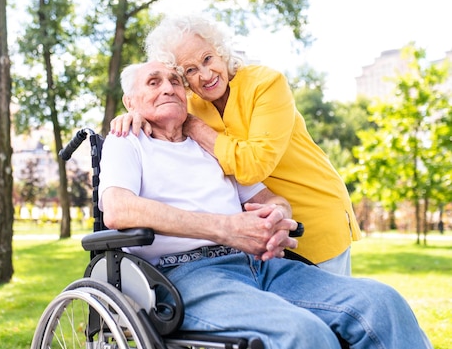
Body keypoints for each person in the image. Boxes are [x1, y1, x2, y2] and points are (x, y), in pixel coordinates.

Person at [99, 61, 432, 349]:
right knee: (302, 334)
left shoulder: (207, 142)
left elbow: (268, 198)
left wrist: (278, 215)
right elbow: (118, 208)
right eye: (153, 82)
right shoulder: (127, 142)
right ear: (131, 101)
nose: (169, 88)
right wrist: (226, 229)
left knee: (382, 302)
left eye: (175, 81)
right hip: (185, 276)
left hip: (261, 265)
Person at [110, 14, 360, 275]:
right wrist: (135, 115)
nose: (205, 75)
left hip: (312, 214)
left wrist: (196, 127)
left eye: (207, 59)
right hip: (253, 233)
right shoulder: (192, 105)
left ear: (220, 51)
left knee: (330, 311)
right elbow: (157, 106)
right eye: (190, 71)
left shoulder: (265, 84)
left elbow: (253, 166)